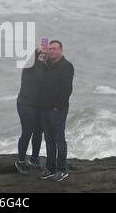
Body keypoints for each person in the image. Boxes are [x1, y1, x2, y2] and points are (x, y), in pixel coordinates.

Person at [38, 40, 74, 182]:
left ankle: (62, 170)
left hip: (57, 110)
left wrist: (57, 107)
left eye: (54, 49)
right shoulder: (47, 66)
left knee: (60, 140)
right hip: (44, 109)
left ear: (61, 50)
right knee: (49, 140)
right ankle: (50, 169)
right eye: (50, 49)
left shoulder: (67, 66)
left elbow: (67, 89)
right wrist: (41, 60)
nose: (51, 51)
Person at [14, 47, 46, 175]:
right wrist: (36, 50)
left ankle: (34, 159)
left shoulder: (46, 67)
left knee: (38, 132)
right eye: (41, 54)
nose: (43, 56)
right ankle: (20, 161)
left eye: (45, 55)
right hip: (26, 104)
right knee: (27, 132)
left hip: (39, 105)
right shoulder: (29, 66)